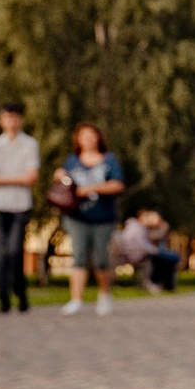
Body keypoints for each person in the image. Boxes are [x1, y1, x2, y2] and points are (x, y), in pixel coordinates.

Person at [55, 123, 127, 316]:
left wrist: (90, 188)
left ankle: (104, 295)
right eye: (83, 135)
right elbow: (64, 182)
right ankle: (76, 299)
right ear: (77, 139)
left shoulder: (109, 160)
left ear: (98, 138)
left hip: (103, 217)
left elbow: (118, 185)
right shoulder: (72, 161)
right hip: (77, 216)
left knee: (100, 258)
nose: (87, 139)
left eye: (91, 135)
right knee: (78, 255)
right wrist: (60, 175)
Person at [0, 104, 40, 315]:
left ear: (20, 120)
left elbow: (31, 177)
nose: (11, 122)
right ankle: (3, 298)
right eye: (7, 117)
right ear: (1, 120)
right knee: (1, 253)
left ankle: (21, 294)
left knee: (15, 251)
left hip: (20, 206)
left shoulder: (30, 144)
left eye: (15, 117)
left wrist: (1, 178)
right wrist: (17, 178)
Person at [114, 209, 181, 295]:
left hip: (142, 254)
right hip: (137, 255)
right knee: (170, 258)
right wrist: (155, 251)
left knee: (170, 258)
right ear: (141, 217)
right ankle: (166, 285)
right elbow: (142, 246)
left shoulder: (142, 228)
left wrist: (161, 226)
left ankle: (166, 284)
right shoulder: (136, 228)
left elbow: (156, 237)